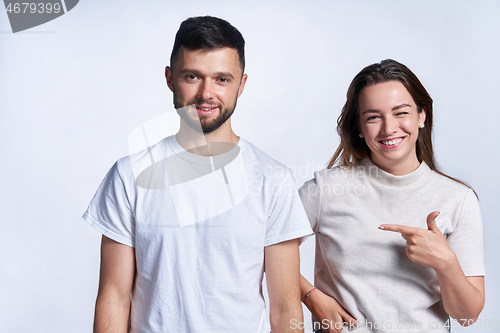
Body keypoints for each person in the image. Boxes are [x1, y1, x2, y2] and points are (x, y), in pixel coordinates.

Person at [83, 16, 312, 333]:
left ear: (241, 85)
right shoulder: (129, 175)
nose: (207, 93)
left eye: (222, 79)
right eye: (193, 76)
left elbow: (285, 307)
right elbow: (113, 298)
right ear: (170, 78)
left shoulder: (273, 180)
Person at [299, 59, 485, 333]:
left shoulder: (459, 199)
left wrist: (446, 264)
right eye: (373, 117)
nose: (389, 129)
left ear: (422, 115)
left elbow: (467, 317)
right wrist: (312, 298)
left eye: (401, 113)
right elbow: (261, 246)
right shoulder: (326, 189)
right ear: (360, 127)